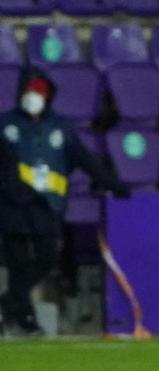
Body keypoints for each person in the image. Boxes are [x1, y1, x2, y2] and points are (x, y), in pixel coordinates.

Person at [0, 68, 130, 336]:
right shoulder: (5, 125)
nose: (33, 96)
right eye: (29, 90)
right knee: (18, 264)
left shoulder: (60, 127)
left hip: (48, 205)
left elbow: (85, 159)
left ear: (47, 95)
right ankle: (26, 320)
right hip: (12, 205)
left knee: (47, 259)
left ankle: (9, 302)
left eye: (39, 91)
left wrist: (113, 184)